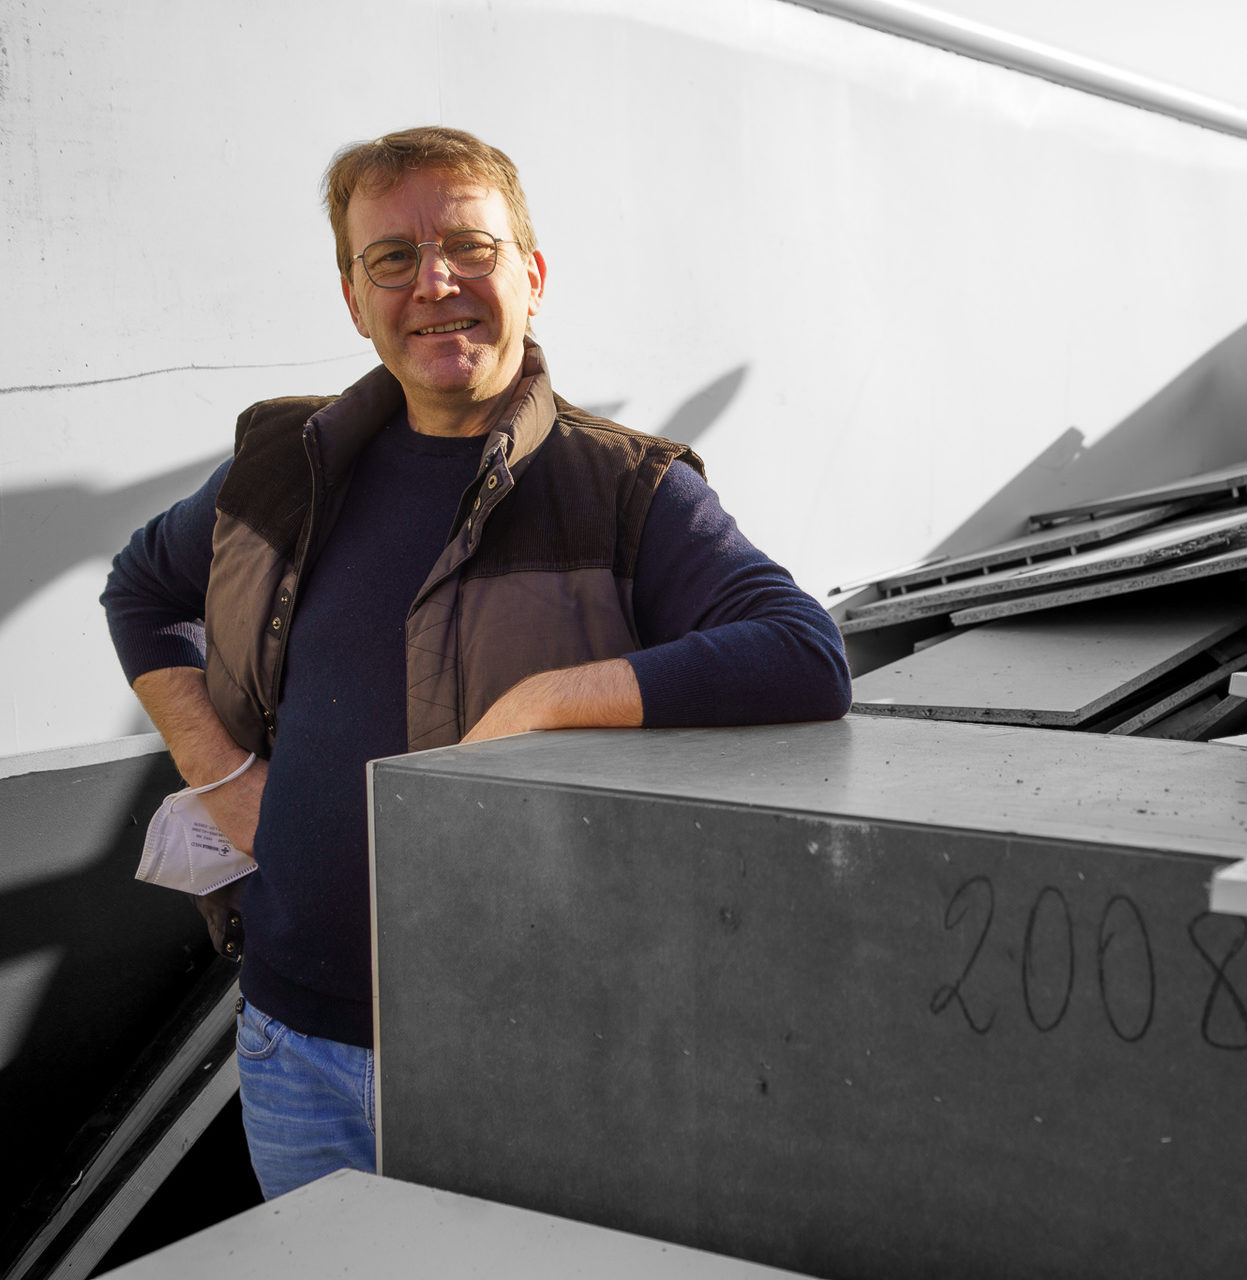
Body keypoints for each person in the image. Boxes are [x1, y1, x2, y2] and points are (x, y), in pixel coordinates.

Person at [101, 126, 852, 1198]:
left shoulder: (622, 487)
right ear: (353, 300)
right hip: (291, 1045)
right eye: (391, 258)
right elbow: (141, 589)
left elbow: (804, 653)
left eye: (469, 247)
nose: (435, 284)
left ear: (533, 277)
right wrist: (218, 772)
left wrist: (547, 699)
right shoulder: (282, 469)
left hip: (526, 1057)